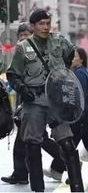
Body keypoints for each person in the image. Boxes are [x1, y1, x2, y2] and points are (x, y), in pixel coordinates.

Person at [6, 9, 83, 192]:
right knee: (33, 145)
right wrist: (23, 89)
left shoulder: (58, 41)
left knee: (67, 143)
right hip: (35, 102)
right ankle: (38, 189)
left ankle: (77, 188)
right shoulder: (23, 48)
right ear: (33, 26)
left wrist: (63, 69)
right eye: (41, 24)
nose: (46, 27)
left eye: (48, 23)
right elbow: (12, 74)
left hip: (57, 101)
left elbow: (72, 51)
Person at [1, 22, 66, 185]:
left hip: (39, 103)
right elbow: (13, 75)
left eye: (26, 34)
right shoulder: (20, 53)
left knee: (37, 140)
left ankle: (65, 160)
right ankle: (22, 173)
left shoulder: (39, 53)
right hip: (27, 102)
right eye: (21, 35)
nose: (23, 37)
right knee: (28, 141)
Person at [44, 47, 88, 182]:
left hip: (81, 115)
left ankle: (62, 171)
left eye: (74, 57)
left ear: (81, 59)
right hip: (87, 114)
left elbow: (77, 96)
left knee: (69, 143)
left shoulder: (79, 74)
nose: (71, 59)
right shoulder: (81, 72)